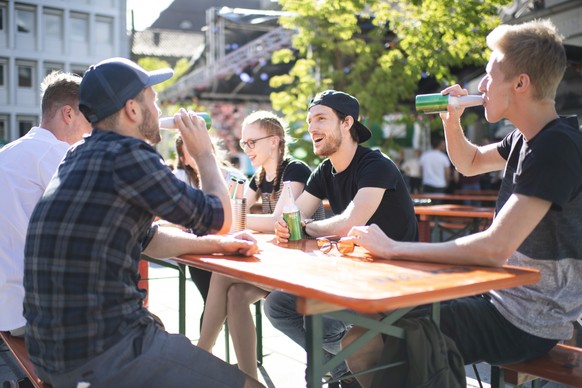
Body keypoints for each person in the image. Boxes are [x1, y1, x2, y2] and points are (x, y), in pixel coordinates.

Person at [342, 19, 582, 387]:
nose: (480, 86)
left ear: (520, 83)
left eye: (489, 74)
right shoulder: (527, 138)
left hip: (530, 318)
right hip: (498, 296)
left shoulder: (555, 147)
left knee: (364, 341)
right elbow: (469, 162)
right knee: (364, 328)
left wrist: (393, 248)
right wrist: (451, 121)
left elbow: (494, 248)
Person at [22, 57, 263, 388]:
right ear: (132, 110)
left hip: (50, 352)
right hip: (103, 352)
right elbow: (219, 218)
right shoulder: (129, 153)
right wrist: (205, 153)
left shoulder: (77, 155)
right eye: (154, 98)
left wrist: (217, 246)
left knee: (162, 330)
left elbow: (147, 238)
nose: (159, 106)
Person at [265, 90, 418, 386]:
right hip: (352, 273)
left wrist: (305, 226)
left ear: (347, 123)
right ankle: (347, 370)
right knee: (277, 306)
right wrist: (286, 226)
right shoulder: (325, 171)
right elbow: (295, 215)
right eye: (310, 120)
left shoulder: (376, 164)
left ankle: (360, 369)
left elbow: (350, 223)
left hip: (394, 279)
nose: (312, 127)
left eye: (321, 118)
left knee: (318, 315)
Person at [197, 110, 324, 379]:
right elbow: (235, 216)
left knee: (221, 275)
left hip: (308, 267)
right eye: (244, 143)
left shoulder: (295, 169)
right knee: (235, 294)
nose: (247, 149)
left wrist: (236, 217)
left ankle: (200, 355)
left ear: (274, 141)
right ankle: (249, 379)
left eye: (252, 142)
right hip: (280, 264)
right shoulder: (258, 177)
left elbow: (278, 219)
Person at [0, 71, 92, 337]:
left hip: (7, 305)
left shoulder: (8, 152)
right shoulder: (56, 153)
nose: (92, 130)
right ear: (69, 114)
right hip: (33, 310)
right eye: (89, 119)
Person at [173, 135, 245, 329]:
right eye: (188, 150)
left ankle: (210, 350)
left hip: (229, 247)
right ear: (183, 159)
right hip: (199, 250)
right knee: (214, 301)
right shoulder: (182, 178)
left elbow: (238, 214)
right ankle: (210, 350)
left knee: (227, 301)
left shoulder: (234, 176)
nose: (194, 153)